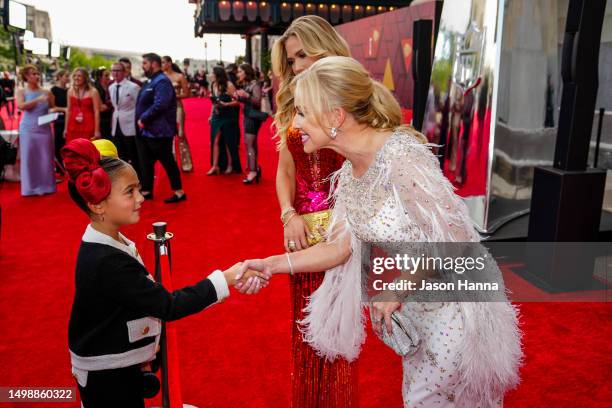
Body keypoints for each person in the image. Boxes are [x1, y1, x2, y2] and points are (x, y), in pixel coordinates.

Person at [238, 56, 523, 407]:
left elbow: (458, 242)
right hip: (416, 316)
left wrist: (399, 287)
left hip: (454, 311)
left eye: (301, 112)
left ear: (335, 117)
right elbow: (339, 248)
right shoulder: (350, 174)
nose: (295, 125)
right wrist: (272, 264)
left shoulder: (400, 159)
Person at [61, 138, 267, 407]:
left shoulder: (108, 242)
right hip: (106, 373)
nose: (140, 198)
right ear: (98, 205)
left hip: (119, 363)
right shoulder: (106, 261)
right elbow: (167, 305)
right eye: (130, 191)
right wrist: (224, 279)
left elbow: (127, 306)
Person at [269, 15, 355, 408]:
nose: (298, 65)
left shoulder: (352, 95)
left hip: (343, 232)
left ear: (326, 46)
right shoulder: (289, 100)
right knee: (304, 332)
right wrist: (289, 213)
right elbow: (285, 170)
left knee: (337, 330)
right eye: (291, 60)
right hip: (300, 232)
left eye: (304, 54)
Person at [135, 53, 186, 204]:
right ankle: (147, 190)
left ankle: (179, 192)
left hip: (160, 130)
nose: (142, 66)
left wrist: (144, 118)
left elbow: (161, 104)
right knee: (146, 162)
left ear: (153, 64)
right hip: (148, 130)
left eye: (145, 63)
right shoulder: (153, 80)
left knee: (167, 161)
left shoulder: (162, 81)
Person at [16, 64, 57, 196]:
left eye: (37, 73)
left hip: (44, 128)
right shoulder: (21, 91)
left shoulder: (47, 92)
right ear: (26, 76)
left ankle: (47, 187)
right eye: (33, 74)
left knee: (45, 157)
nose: (36, 76)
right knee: (29, 158)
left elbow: (52, 108)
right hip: (28, 128)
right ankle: (30, 188)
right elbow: (21, 106)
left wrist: (54, 114)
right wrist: (37, 100)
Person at [108, 62, 141, 178]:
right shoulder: (111, 87)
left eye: (118, 70)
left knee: (133, 155)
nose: (115, 73)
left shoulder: (133, 87)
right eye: (113, 70)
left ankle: (138, 179)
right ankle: (124, 180)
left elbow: (140, 105)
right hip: (116, 125)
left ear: (124, 72)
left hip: (130, 125)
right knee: (120, 156)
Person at [161, 56, 193, 172]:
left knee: (180, 134)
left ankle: (186, 163)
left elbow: (187, 93)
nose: (162, 64)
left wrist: (173, 96)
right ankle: (171, 163)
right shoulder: (160, 77)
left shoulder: (179, 76)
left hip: (177, 107)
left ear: (169, 63)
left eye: (163, 62)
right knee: (167, 136)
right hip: (163, 109)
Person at [207, 65, 240, 176]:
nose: (210, 75)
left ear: (217, 74)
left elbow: (237, 101)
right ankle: (215, 166)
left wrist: (226, 104)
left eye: (212, 73)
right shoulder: (213, 85)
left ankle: (230, 165)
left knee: (228, 141)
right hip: (217, 116)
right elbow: (214, 103)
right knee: (215, 141)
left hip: (228, 116)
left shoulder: (229, 85)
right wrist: (211, 115)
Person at [235, 63, 265, 184]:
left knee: (249, 144)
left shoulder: (255, 84)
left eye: (240, 71)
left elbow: (257, 102)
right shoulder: (247, 84)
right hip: (247, 116)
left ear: (246, 72)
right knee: (250, 144)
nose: (238, 74)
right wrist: (238, 96)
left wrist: (246, 95)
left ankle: (253, 171)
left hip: (253, 118)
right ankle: (255, 168)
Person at [65, 68, 102, 142]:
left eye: (79, 76)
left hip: (88, 125)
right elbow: (68, 110)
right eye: (74, 76)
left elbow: (97, 112)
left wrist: (97, 130)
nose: (76, 78)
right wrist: (65, 128)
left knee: (86, 148)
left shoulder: (93, 92)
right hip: (73, 125)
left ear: (85, 78)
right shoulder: (70, 91)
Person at [51, 69, 70, 168]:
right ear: (59, 77)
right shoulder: (54, 90)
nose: (68, 78)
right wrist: (65, 109)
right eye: (66, 76)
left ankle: (67, 163)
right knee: (59, 142)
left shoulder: (69, 90)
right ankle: (58, 166)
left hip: (69, 119)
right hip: (59, 119)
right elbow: (52, 107)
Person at [93, 67, 113, 139]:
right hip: (100, 119)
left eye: (109, 75)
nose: (109, 77)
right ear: (100, 77)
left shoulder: (111, 86)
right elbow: (101, 108)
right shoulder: (95, 89)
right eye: (106, 75)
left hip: (110, 119)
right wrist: (112, 103)